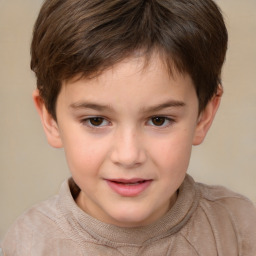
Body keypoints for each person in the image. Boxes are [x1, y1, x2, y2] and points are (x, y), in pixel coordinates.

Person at [1, 0, 256, 255]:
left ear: (203, 116)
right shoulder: (28, 244)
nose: (128, 155)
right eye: (96, 121)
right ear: (50, 118)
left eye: (159, 120)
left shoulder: (239, 228)